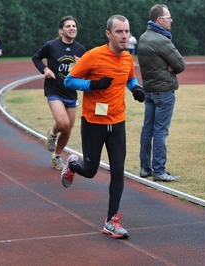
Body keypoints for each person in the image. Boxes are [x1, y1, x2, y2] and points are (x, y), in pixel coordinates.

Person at [63, 14, 145, 239]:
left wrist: (135, 88)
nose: (124, 35)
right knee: (90, 171)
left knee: (118, 170)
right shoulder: (93, 56)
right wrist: (92, 85)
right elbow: (68, 81)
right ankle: (72, 165)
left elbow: (129, 79)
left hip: (117, 122)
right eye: (119, 31)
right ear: (108, 34)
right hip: (93, 122)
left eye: (127, 31)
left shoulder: (128, 58)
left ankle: (111, 221)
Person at [137, 4, 185, 182]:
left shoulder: (143, 37)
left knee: (147, 130)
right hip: (164, 91)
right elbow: (180, 65)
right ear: (159, 20)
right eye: (168, 17)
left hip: (149, 90)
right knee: (160, 132)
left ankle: (145, 168)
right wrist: (170, 67)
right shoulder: (162, 40)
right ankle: (159, 171)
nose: (171, 20)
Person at [32, 16, 86, 171]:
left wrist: (80, 63)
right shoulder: (51, 45)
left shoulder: (80, 49)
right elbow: (36, 58)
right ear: (62, 30)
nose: (72, 28)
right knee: (63, 123)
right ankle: (53, 132)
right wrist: (45, 69)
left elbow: (85, 72)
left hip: (71, 92)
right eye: (68, 26)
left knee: (68, 129)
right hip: (54, 89)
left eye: (74, 26)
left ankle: (56, 156)